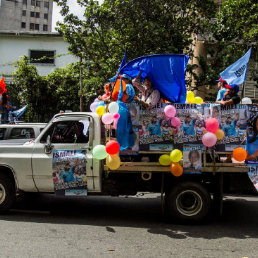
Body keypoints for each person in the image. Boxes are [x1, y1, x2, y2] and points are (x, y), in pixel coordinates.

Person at [116, 74, 135, 150]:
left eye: (124, 79)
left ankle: (124, 144)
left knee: (124, 128)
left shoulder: (127, 86)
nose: (122, 80)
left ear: (127, 80)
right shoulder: (126, 86)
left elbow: (127, 97)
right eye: (122, 79)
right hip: (126, 108)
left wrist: (119, 99)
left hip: (127, 108)